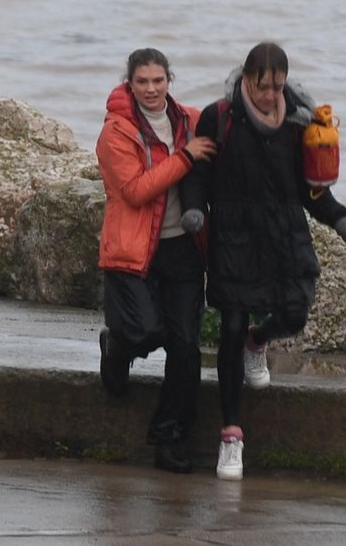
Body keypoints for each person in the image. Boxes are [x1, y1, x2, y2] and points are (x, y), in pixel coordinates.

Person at [180, 42, 346, 480]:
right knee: (230, 325)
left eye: (277, 87)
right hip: (235, 239)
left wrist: (338, 218)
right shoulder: (219, 117)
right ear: (246, 80)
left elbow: (311, 188)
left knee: (296, 312)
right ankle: (231, 436)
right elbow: (197, 174)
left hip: (285, 234)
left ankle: (258, 343)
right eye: (263, 87)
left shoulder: (300, 122)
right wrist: (194, 209)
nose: (270, 95)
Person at [95, 48, 216, 474]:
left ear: (170, 81)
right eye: (142, 82)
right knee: (144, 330)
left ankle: (169, 438)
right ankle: (117, 344)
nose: (150, 89)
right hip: (132, 249)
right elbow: (135, 191)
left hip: (182, 246)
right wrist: (185, 157)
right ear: (129, 83)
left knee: (185, 346)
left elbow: (234, 119)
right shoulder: (116, 131)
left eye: (158, 81)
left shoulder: (189, 120)